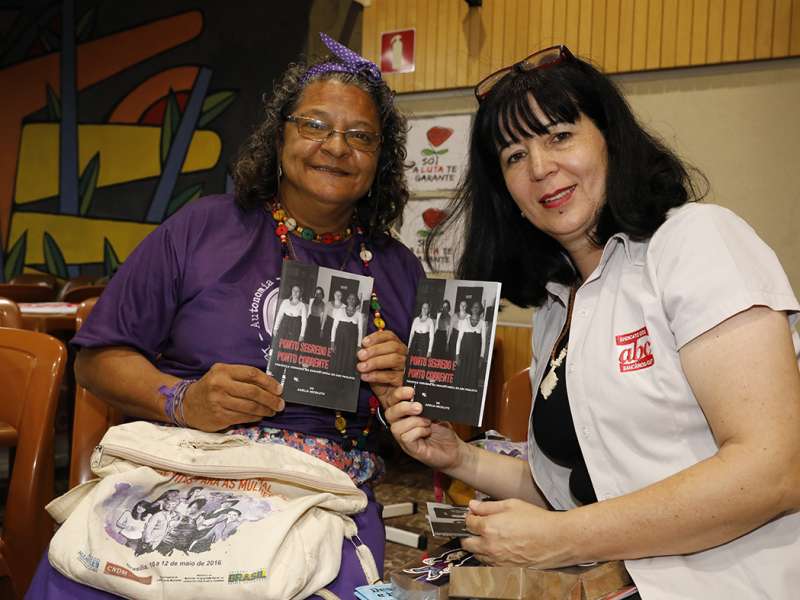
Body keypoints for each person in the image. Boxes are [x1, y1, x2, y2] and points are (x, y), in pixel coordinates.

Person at [387, 45, 800, 599]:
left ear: (610, 137)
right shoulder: (559, 305)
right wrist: (458, 456)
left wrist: (563, 538)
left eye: (559, 136)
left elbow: (774, 470)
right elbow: (576, 487)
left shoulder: (696, 241)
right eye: (513, 156)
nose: (539, 168)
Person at [30, 32, 424, 598]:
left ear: (380, 158)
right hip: (181, 475)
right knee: (79, 579)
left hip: (320, 495)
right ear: (279, 134)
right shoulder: (201, 229)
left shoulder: (398, 269)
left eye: (360, 135)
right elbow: (95, 360)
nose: (336, 146)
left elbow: (439, 430)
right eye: (314, 125)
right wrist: (182, 399)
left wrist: (402, 387)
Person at [453, 300, 486, 387]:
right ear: (471, 309)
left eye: (477, 307)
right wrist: (457, 355)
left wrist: (481, 357)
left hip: (475, 356)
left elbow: (483, 341)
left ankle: (468, 399)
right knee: (461, 376)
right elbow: (459, 339)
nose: (475, 308)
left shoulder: (482, 323)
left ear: (480, 309)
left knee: (472, 377)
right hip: (464, 354)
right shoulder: (465, 321)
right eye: (474, 307)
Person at [330, 292, 364, 374]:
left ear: (356, 301)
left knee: (348, 361)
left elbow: (360, 331)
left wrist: (359, 346)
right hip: (339, 340)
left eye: (354, 299)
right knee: (337, 361)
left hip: (351, 343)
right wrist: (332, 342)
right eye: (350, 298)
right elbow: (334, 327)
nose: (351, 300)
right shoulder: (340, 311)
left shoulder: (359, 315)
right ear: (347, 300)